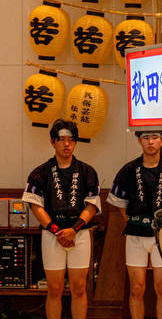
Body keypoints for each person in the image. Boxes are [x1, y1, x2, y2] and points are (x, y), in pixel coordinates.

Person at [22, 119, 101, 319]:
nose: (67, 144)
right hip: (52, 234)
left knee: (79, 287)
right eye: (61, 139)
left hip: (80, 233)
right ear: (52, 141)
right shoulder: (40, 173)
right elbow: (35, 206)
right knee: (55, 288)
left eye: (71, 140)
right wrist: (57, 231)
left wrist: (73, 230)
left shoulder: (87, 171)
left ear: (75, 142)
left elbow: (91, 206)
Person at [107, 131, 162, 319]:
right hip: (136, 234)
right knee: (136, 288)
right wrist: (133, 220)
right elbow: (120, 203)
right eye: (146, 138)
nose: (150, 142)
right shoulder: (129, 170)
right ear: (139, 140)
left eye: (155, 137)